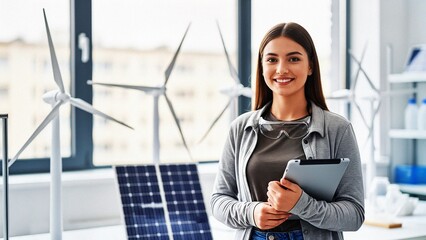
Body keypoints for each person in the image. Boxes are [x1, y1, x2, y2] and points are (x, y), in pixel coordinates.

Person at [210, 22, 365, 240]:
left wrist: (302, 205)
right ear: (262, 67)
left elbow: (355, 214)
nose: (282, 69)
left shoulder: (338, 129)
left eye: (293, 59)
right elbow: (219, 200)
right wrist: (251, 213)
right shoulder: (239, 128)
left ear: (310, 66)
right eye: (272, 59)